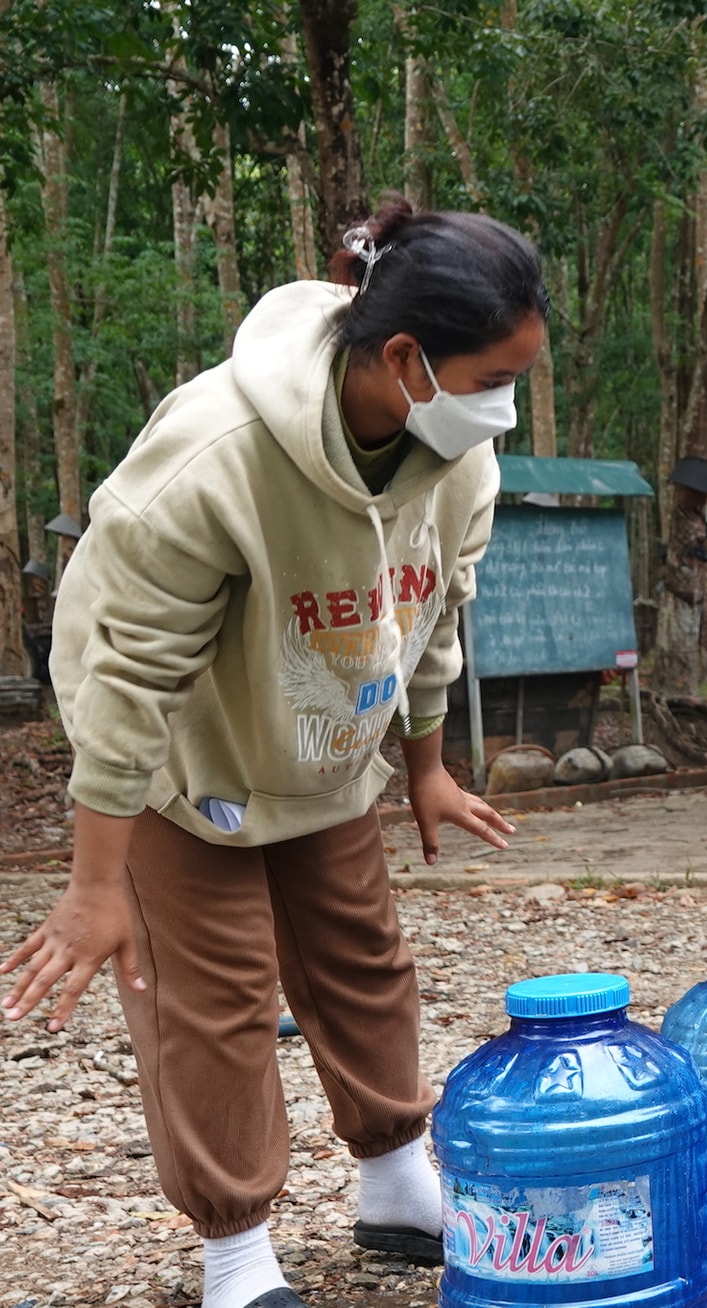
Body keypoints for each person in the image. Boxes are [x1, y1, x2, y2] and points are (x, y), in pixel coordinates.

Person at [0, 202, 545, 1308]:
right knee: (214, 996)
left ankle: (397, 1186)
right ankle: (236, 1256)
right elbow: (128, 679)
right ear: (404, 360)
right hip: (183, 764)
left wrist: (427, 764)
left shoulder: (459, 458)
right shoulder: (215, 460)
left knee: (361, 960)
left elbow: (437, 612)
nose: (507, 404)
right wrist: (96, 885)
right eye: (492, 374)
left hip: (324, 736)